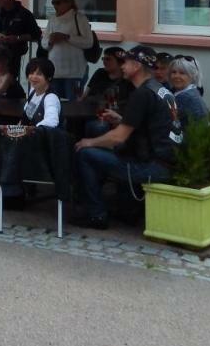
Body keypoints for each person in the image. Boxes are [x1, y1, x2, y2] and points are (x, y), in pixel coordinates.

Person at [72, 45, 182, 230]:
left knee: (85, 153)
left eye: (126, 62)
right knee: (102, 146)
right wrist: (121, 119)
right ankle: (126, 208)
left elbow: (119, 137)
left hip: (153, 167)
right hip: (169, 161)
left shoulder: (142, 94)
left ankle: (96, 214)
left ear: (137, 66)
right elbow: (151, 126)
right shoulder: (159, 89)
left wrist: (88, 142)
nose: (122, 66)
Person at [0, 57, 62, 208]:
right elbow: (24, 119)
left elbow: (52, 121)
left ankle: (9, 192)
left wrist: (27, 130)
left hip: (37, 146)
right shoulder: (33, 94)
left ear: (48, 77)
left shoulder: (51, 98)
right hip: (23, 141)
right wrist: (15, 129)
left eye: (39, 74)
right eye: (31, 73)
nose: (33, 77)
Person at [42, 0, 93, 99]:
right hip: (55, 71)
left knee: (73, 103)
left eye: (58, 2)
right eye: (53, 3)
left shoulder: (79, 18)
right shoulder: (52, 19)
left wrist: (67, 37)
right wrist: (50, 40)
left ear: (68, 3)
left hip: (74, 72)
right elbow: (44, 43)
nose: (55, 5)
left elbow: (89, 42)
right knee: (55, 102)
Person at [81, 46, 132, 137]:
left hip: (108, 116)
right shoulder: (100, 73)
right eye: (103, 58)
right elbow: (85, 94)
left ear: (120, 63)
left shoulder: (127, 81)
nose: (104, 62)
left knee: (98, 127)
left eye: (108, 59)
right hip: (89, 111)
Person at [168, 56, 208, 129]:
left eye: (182, 73)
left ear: (192, 76)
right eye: (174, 72)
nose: (176, 76)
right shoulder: (191, 91)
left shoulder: (185, 97)